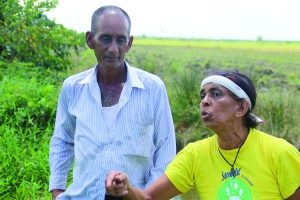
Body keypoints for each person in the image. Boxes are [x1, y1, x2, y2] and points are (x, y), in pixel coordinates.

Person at [105, 70, 300, 200]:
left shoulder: (279, 152)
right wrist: (127, 189)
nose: (205, 101)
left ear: (241, 107)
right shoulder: (195, 155)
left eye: (216, 94)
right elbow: (149, 198)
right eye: (203, 96)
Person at [49, 5, 176, 199]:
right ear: (90, 40)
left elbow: (165, 152)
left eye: (121, 40)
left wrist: (145, 197)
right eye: (105, 39)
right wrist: (57, 191)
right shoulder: (73, 88)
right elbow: (63, 141)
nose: (113, 49)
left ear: (129, 43)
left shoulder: (153, 88)